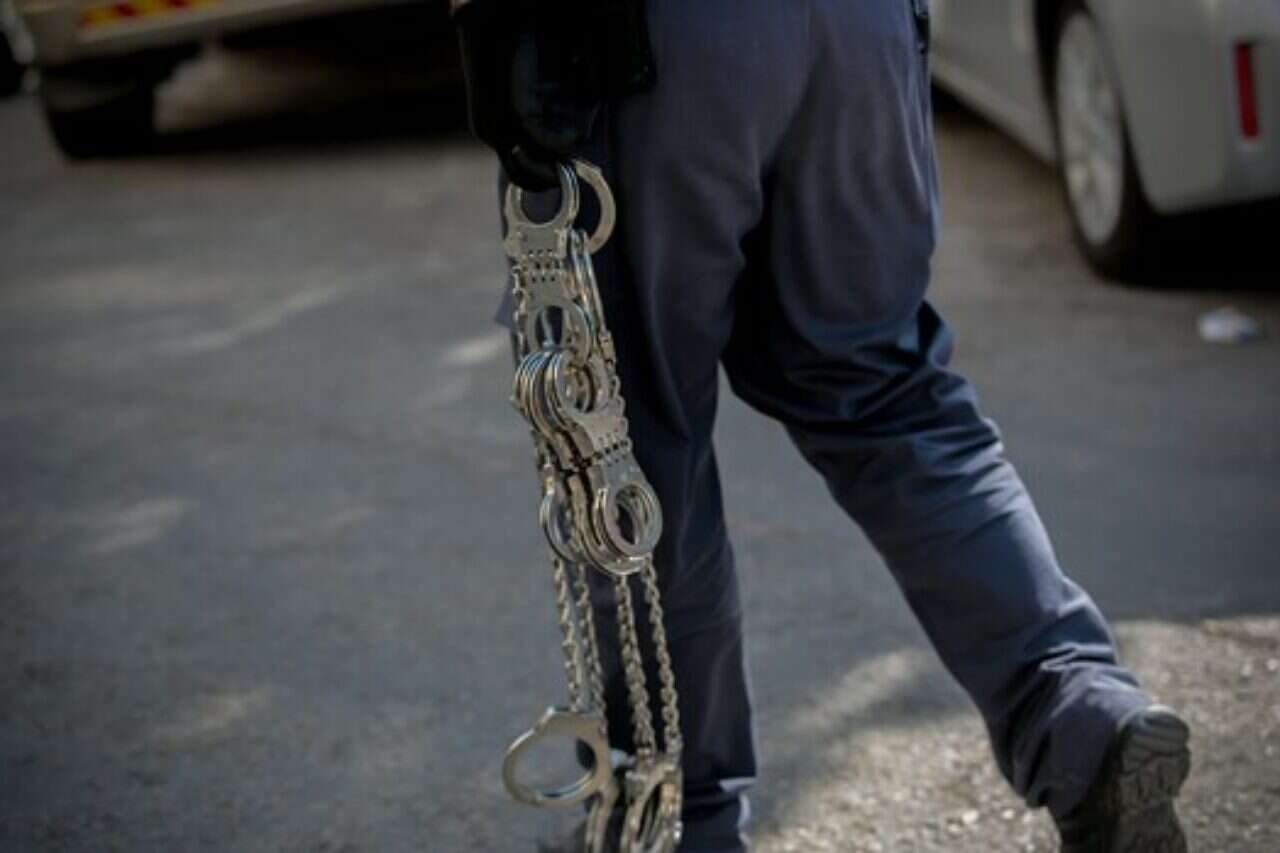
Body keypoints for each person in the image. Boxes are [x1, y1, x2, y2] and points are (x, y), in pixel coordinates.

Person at [450, 1, 1193, 850]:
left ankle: (680, 818)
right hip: (858, 30)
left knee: (627, 445)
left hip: (651, 41)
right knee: (887, 388)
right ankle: (1079, 717)